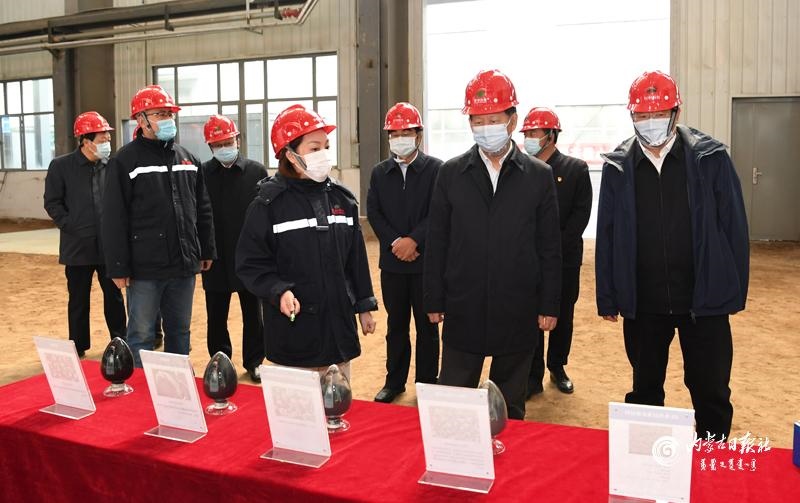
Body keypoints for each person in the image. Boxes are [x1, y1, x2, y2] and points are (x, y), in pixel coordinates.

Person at [595, 70, 749, 440]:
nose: (650, 122)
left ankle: (710, 456)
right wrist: (608, 296)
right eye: (642, 115)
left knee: (711, 390)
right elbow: (607, 234)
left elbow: (734, 228)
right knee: (645, 388)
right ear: (632, 116)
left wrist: (730, 291)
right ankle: (651, 464)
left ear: (676, 113)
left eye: (659, 113)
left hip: (703, 300)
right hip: (644, 303)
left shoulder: (710, 158)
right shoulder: (619, 167)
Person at [424, 70, 562, 419]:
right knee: (453, 402)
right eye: (478, 120)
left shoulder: (539, 176)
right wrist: (434, 297)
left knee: (508, 406)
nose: (486, 128)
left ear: (512, 120)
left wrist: (549, 303)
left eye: (494, 119)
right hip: (464, 304)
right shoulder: (451, 174)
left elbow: (549, 246)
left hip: (517, 305)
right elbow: (437, 240)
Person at [236, 104, 377, 382]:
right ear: (290, 154)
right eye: (314, 148)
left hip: (338, 329)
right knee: (296, 406)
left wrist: (364, 305)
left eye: (326, 146)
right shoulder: (268, 206)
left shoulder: (342, 200)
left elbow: (356, 260)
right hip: (295, 332)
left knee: (337, 400)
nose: (323, 154)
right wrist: (278, 291)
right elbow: (250, 264)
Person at [102, 85, 216, 367]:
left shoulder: (188, 158)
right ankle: (141, 388)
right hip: (145, 268)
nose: (168, 119)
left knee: (180, 331)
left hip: (184, 264)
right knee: (141, 334)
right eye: (160, 114)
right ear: (141, 120)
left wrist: (206, 250)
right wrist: (118, 266)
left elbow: (202, 209)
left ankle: (177, 386)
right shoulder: (124, 161)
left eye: (169, 114)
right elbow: (114, 217)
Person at [367, 102, 442, 403]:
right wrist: (397, 242)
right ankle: (394, 381)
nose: (399, 138)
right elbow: (374, 213)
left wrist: (414, 241)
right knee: (396, 326)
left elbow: (439, 212)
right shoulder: (379, 173)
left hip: (426, 263)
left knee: (427, 327)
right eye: (394, 134)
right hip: (393, 264)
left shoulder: (436, 170)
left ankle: (427, 383)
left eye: (406, 132)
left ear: (419, 135)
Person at [520, 107, 592, 396]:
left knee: (562, 315)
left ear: (551, 135)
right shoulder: (522, 169)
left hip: (564, 259)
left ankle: (557, 367)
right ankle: (532, 374)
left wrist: (553, 248)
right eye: (526, 133)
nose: (529, 138)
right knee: (530, 316)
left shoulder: (576, 169)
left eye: (534, 132)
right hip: (529, 259)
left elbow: (580, 214)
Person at [43, 111, 127, 357]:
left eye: (108, 138)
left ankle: (120, 342)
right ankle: (78, 345)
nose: (107, 143)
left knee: (114, 296)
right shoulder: (61, 166)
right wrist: (71, 225)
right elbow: (52, 202)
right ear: (86, 141)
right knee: (78, 299)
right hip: (77, 246)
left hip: (109, 247)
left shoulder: (112, 166)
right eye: (102, 139)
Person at [201, 114, 268, 383]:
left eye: (228, 142)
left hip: (249, 256)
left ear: (238, 140)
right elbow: (198, 215)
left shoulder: (257, 172)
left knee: (253, 314)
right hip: (214, 256)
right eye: (218, 144)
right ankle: (220, 360)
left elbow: (265, 216)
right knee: (216, 314)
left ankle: (255, 361)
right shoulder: (202, 174)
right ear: (210, 147)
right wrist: (203, 250)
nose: (224, 148)